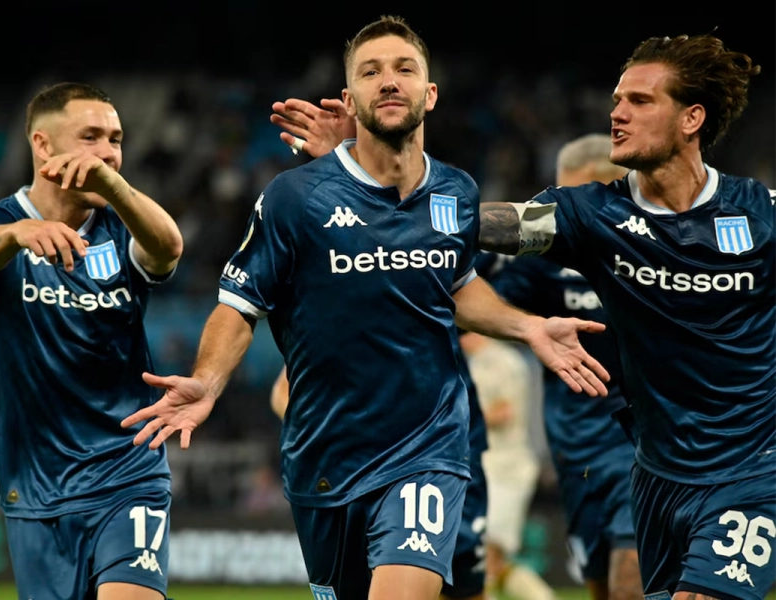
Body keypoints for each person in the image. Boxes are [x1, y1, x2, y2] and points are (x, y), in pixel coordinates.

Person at [268, 32, 774, 600]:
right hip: (659, 475)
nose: (617, 114)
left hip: (754, 468)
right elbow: (457, 225)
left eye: (639, 101)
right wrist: (354, 173)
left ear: (691, 118)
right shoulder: (592, 216)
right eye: (617, 100)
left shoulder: (761, 215)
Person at [122, 16, 610, 600]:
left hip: (428, 447)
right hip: (324, 457)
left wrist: (527, 326)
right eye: (371, 72)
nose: (389, 80)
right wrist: (207, 380)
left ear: (430, 93)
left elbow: (458, 286)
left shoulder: (456, 192)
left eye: (405, 69)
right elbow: (240, 305)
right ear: (350, 99)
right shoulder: (295, 197)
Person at [0, 82, 183, 600]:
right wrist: (17, 235)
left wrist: (113, 185)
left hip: (129, 471)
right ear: (43, 144)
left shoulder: (124, 229)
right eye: (91, 137)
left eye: (116, 140)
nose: (108, 152)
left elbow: (168, 248)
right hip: (36, 486)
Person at [487, 135, 642, 600]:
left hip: (639, 444)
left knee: (630, 582)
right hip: (575, 452)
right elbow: (480, 303)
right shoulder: (544, 263)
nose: (559, 215)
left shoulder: (653, 249)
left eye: (571, 198)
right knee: (601, 588)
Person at [270, 336, 492, 600]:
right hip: (352, 475)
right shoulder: (342, 330)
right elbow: (282, 393)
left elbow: (486, 314)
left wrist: (528, 329)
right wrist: (327, 434)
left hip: (441, 460)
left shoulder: (435, 318)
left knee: (465, 588)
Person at [458, 332, 557, 600]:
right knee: (490, 555)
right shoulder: (479, 359)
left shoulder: (498, 360)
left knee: (487, 552)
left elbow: (504, 412)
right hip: (489, 466)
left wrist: (454, 424)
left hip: (505, 468)